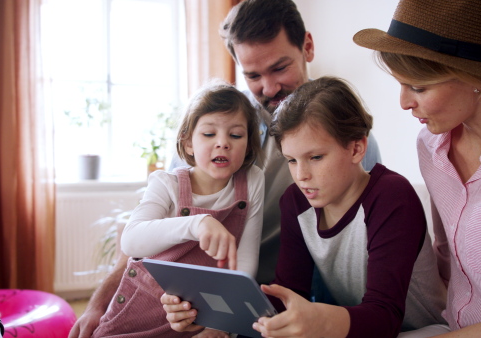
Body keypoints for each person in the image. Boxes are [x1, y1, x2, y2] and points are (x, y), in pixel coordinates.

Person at [69, 0, 382, 336]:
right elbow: (147, 228)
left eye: (279, 68)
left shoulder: (352, 143)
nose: (269, 87)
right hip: (191, 298)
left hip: (281, 302)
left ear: (307, 47)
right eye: (253, 75)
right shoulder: (219, 128)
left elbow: (354, 250)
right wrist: (99, 305)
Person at [164, 76, 447, 337]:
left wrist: (317, 321)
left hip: (420, 330)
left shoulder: (391, 196)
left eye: (315, 157)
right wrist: (218, 320)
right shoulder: (296, 202)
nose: (301, 175)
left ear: (357, 148)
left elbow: (386, 316)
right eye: (292, 160)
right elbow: (288, 295)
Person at [353, 0, 481, 336]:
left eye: (419, 88)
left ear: (479, 81)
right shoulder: (431, 145)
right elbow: (446, 259)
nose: (404, 103)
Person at [90, 81, 265, 337]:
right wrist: (197, 223)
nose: (223, 143)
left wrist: (220, 326)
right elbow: (131, 241)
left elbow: (244, 265)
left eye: (235, 135)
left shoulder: (253, 180)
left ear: (249, 145)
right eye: (209, 134)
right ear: (188, 142)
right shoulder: (166, 183)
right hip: (139, 312)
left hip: (197, 315)